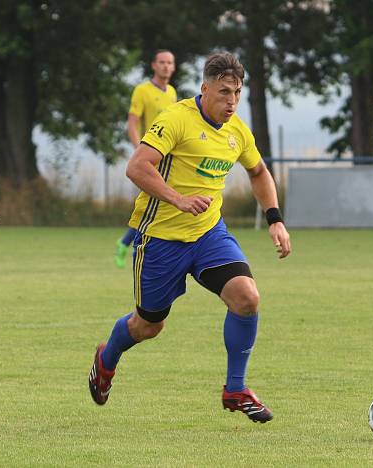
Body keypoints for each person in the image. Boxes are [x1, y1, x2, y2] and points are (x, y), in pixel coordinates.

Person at [89, 52, 291, 423]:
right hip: (160, 239)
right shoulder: (176, 119)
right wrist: (178, 199)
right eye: (224, 92)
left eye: (237, 93)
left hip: (208, 233)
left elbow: (259, 172)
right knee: (148, 325)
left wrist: (275, 219)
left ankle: (235, 388)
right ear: (205, 88)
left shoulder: (237, 131)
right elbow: (137, 167)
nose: (231, 102)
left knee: (246, 298)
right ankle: (106, 358)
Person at [114, 50, 177, 268]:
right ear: (153, 65)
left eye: (169, 63)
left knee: (156, 205)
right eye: (162, 62)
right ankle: (129, 245)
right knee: (155, 204)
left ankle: (127, 243)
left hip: (167, 161)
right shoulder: (142, 90)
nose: (166, 66)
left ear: (174, 67)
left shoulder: (172, 93)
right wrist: (139, 150)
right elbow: (132, 122)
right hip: (149, 159)